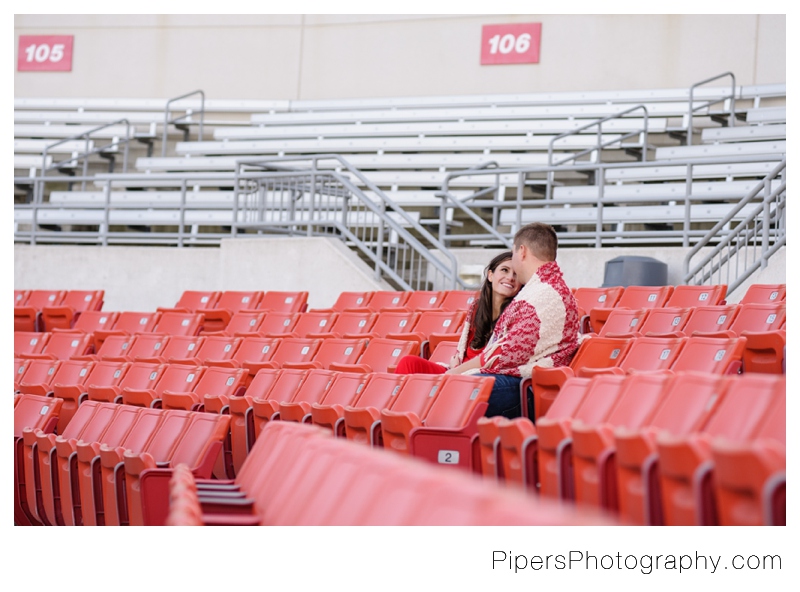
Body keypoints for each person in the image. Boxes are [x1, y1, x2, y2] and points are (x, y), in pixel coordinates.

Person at [446, 222, 580, 419]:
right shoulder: (539, 290)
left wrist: (453, 374)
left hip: (528, 386)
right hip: (519, 381)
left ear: (522, 252)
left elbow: (502, 355)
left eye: (513, 252)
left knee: (455, 389)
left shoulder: (545, 294)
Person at [394, 251, 521, 374]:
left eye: (516, 274)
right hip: (457, 371)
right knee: (408, 362)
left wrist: (457, 370)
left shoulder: (517, 313)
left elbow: (495, 360)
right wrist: (456, 366)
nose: (510, 277)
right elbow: (462, 351)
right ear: (490, 275)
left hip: (477, 375)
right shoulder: (477, 308)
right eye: (504, 270)